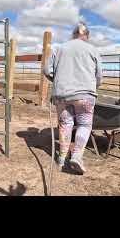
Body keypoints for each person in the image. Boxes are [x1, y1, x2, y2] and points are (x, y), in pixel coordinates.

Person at [43, 22, 102, 174]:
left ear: (73, 34)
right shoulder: (93, 49)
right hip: (85, 95)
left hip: (62, 94)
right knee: (84, 124)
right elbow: (99, 76)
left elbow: (46, 69)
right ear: (87, 35)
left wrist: (57, 80)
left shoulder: (59, 48)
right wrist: (94, 86)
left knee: (65, 124)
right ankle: (76, 155)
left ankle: (62, 160)